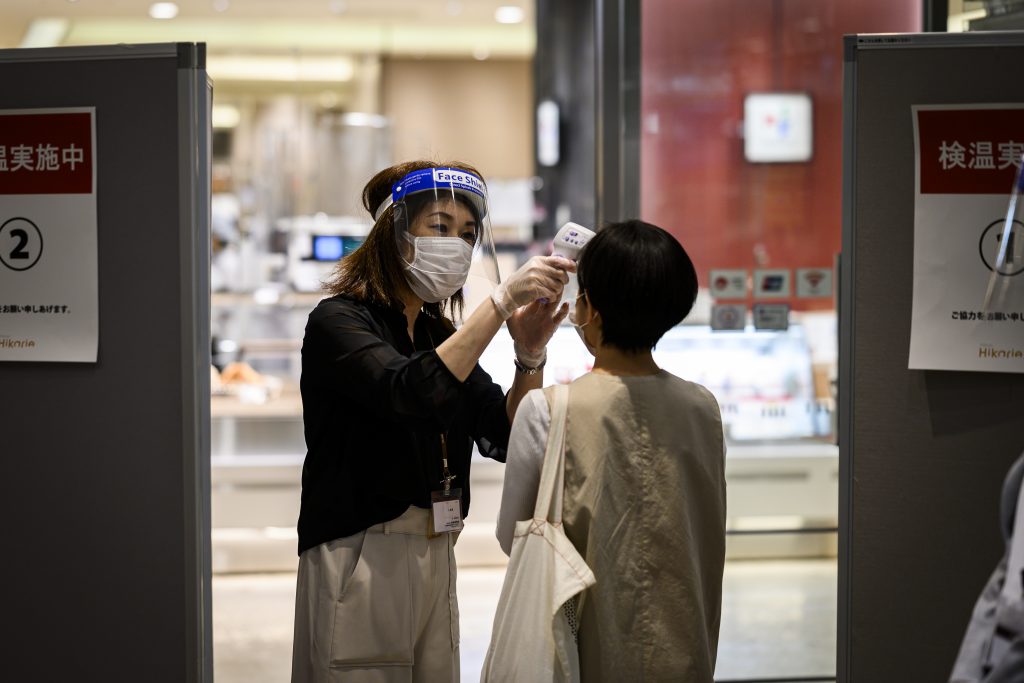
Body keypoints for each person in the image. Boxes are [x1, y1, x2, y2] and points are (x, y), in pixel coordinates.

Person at [291, 160, 575, 683]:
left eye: (468, 235)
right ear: (392, 234)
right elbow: (409, 392)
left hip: (436, 545)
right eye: (440, 228)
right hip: (360, 553)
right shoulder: (338, 321)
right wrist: (501, 300)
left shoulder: (436, 331)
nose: (458, 247)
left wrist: (529, 355)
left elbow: (505, 433)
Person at [496, 219, 727, 682]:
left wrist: (528, 356)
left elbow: (512, 537)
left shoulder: (548, 409)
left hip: (585, 652)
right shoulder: (703, 408)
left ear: (591, 310)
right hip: (684, 646)